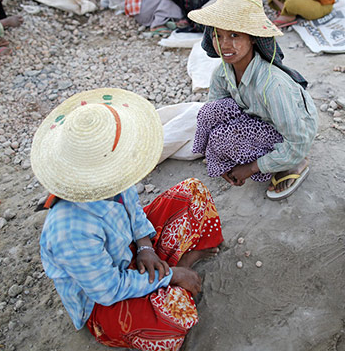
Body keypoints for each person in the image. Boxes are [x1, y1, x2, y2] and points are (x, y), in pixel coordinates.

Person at [33, 88, 224, 350]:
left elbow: (133, 208)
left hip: (132, 252)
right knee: (173, 320)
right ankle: (176, 272)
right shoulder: (69, 229)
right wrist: (170, 276)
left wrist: (145, 246)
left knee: (192, 192)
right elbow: (108, 289)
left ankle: (174, 272)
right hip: (104, 299)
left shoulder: (111, 175)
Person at [189, 0, 318, 200]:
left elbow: (298, 142)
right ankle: (256, 157)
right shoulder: (222, 73)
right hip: (257, 122)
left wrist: (250, 168)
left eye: (233, 35)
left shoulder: (273, 85)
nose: (224, 45)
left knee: (225, 138)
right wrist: (218, 160)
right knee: (208, 115)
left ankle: (297, 163)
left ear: (252, 38)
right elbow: (215, 116)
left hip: (293, 135)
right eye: (217, 35)